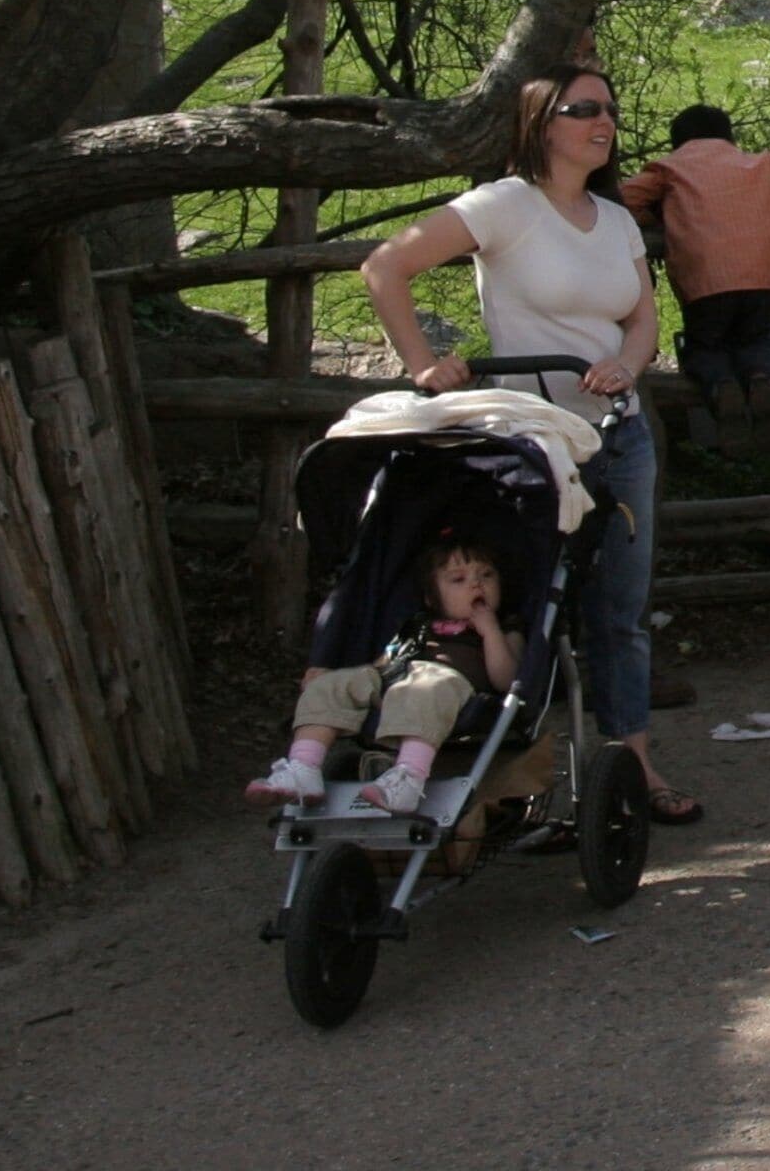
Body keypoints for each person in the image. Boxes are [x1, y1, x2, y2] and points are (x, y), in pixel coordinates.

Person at [360, 69, 698, 824]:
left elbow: (643, 317)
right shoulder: (505, 205)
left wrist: (628, 364)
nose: (602, 121)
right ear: (543, 123)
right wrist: (423, 364)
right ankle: (519, 775)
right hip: (540, 441)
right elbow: (386, 267)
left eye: (609, 108)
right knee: (535, 607)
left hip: (619, 432)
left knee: (622, 609)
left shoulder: (613, 219)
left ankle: (632, 761)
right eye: (584, 110)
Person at [246, 536, 522, 815]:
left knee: (424, 685)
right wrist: (337, 675)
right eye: (458, 579)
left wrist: (490, 632)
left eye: (487, 575)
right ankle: (303, 768)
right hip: (396, 680)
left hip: (448, 688)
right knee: (330, 685)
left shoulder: (505, 627)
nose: (477, 584)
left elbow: (506, 679)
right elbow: (385, 663)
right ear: (431, 597)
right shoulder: (417, 626)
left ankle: (408, 779)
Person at [618, 105, 770, 453]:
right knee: (755, 339)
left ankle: (722, 389)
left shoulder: (671, 167)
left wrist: (655, 221)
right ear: (728, 135)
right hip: (763, 272)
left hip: (705, 275)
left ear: (678, 142)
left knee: (705, 345)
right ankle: (759, 379)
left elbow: (626, 197)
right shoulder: (760, 162)